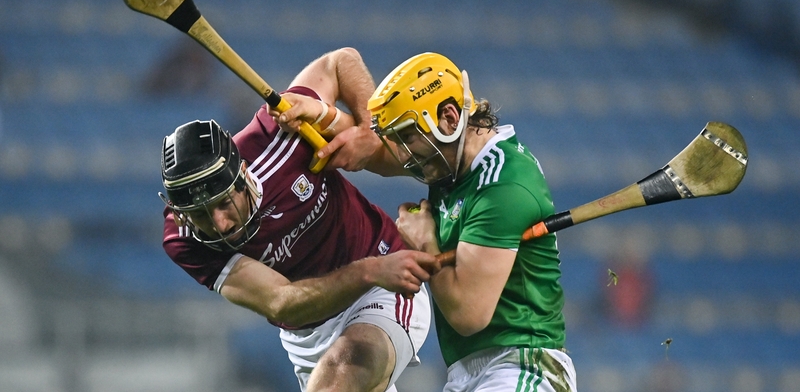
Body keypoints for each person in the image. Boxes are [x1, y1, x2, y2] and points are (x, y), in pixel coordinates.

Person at [159, 47, 441, 392]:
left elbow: (340, 62)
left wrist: (368, 128)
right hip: (308, 331)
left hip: (383, 282)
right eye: (200, 215)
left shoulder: (279, 135)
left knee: (340, 374)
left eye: (222, 204)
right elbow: (283, 302)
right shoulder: (182, 238)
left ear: (242, 175)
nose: (220, 225)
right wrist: (369, 270)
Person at [361, 52, 577, 391]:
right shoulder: (452, 164)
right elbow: (369, 151)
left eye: (407, 136)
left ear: (448, 117)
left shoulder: (503, 183)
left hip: (524, 366)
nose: (402, 155)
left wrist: (427, 245)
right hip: (467, 374)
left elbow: (468, 314)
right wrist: (325, 118)